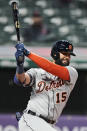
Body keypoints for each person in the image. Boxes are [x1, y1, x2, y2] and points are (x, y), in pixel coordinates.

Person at [14, 40, 78, 131]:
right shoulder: (38, 72)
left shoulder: (72, 72)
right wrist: (20, 65)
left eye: (69, 55)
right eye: (64, 53)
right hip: (33, 119)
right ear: (55, 54)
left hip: (48, 124)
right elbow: (19, 80)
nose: (67, 57)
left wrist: (28, 54)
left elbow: (50, 67)